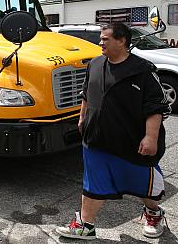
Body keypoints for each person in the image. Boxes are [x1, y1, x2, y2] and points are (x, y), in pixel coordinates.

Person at [56, 23, 171, 240]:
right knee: (93, 182)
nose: (100, 42)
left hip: (132, 141)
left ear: (122, 41)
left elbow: (156, 107)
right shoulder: (96, 64)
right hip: (97, 139)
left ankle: (154, 214)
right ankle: (85, 225)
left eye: (105, 39)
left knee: (142, 182)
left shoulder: (143, 70)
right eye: (101, 39)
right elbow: (86, 93)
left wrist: (151, 137)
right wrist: (82, 118)